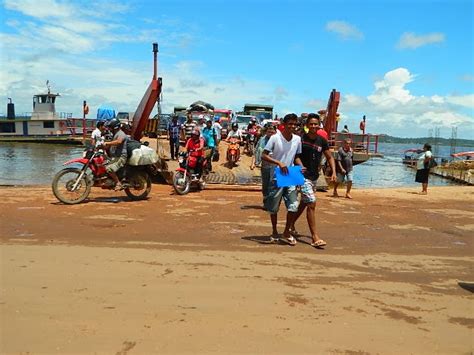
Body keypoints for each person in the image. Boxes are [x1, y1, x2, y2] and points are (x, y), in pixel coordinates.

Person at [289, 113, 337, 248]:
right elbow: (295, 155)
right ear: (306, 126)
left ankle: (290, 224)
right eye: (311, 124)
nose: (314, 126)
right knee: (311, 202)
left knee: (304, 203)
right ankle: (315, 237)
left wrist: (333, 172)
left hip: (314, 176)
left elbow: (330, 157)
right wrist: (300, 165)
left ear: (319, 125)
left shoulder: (322, 141)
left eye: (316, 124)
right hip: (301, 176)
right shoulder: (300, 139)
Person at [261, 113, 303, 246]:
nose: (292, 126)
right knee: (274, 206)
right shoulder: (274, 138)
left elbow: (296, 156)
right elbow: (264, 155)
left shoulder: (297, 139)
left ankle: (286, 231)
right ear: (284, 124)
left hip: (291, 173)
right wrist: (278, 162)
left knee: (293, 205)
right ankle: (274, 231)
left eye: (295, 124)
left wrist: (300, 166)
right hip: (277, 174)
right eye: (290, 124)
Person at [103, 118, 128, 191]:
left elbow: (119, 142)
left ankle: (118, 183)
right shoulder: (115, 134)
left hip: (121, 157)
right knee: (103, 164)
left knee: (109, 169)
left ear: (115, 127)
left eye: (110, 127)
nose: (109, 129)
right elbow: (111, 145)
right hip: (115, 156)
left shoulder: (121, 134)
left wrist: (108, 143)